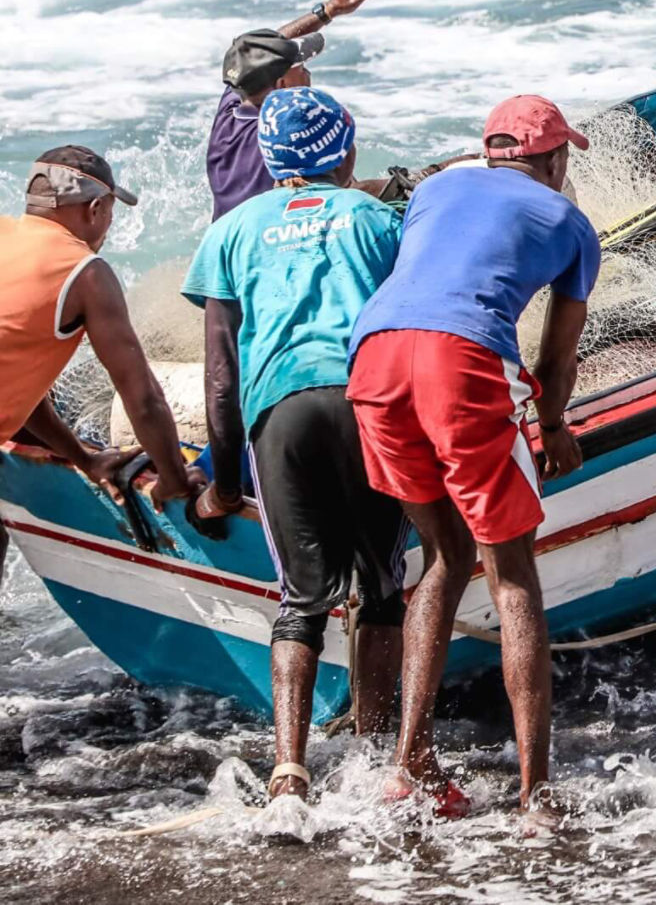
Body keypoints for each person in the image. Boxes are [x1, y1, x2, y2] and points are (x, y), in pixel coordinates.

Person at [346, 94, 599, 828]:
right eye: (563, 160)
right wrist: (553, 430)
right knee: (511, 571)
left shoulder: (436, 186)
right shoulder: (570, 222)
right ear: (553, 159)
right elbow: (557, 358)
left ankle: (410, 763)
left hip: (374, 357)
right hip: (460, 358)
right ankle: (536, 796)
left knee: (444, 552)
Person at [180, 88, 407, 806]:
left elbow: (222, 375)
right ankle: (373, 751)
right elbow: (413, 322)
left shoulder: (232, 231)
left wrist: (221, 477)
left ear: (273, 162)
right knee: (380, 588)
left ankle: (289, 770)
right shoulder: (376, 217)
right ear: (344, 153)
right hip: (368, 402)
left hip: (279, 413)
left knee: (301, 600)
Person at [1, 147, 204, 568]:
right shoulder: (86, 273)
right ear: (95, 209)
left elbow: (20, 381)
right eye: (112, 211)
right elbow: (141, 394)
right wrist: (174, 477)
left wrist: (84, 457)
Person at [208, 0, 380, 219]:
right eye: (302, 68)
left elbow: (253, 53)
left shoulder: (235, 103)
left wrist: (329, 9)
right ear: (280, 85)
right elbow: (350, 193)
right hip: (268, 249)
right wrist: (426, 177)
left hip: (229, 242)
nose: (308, 74)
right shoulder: (290, 137)